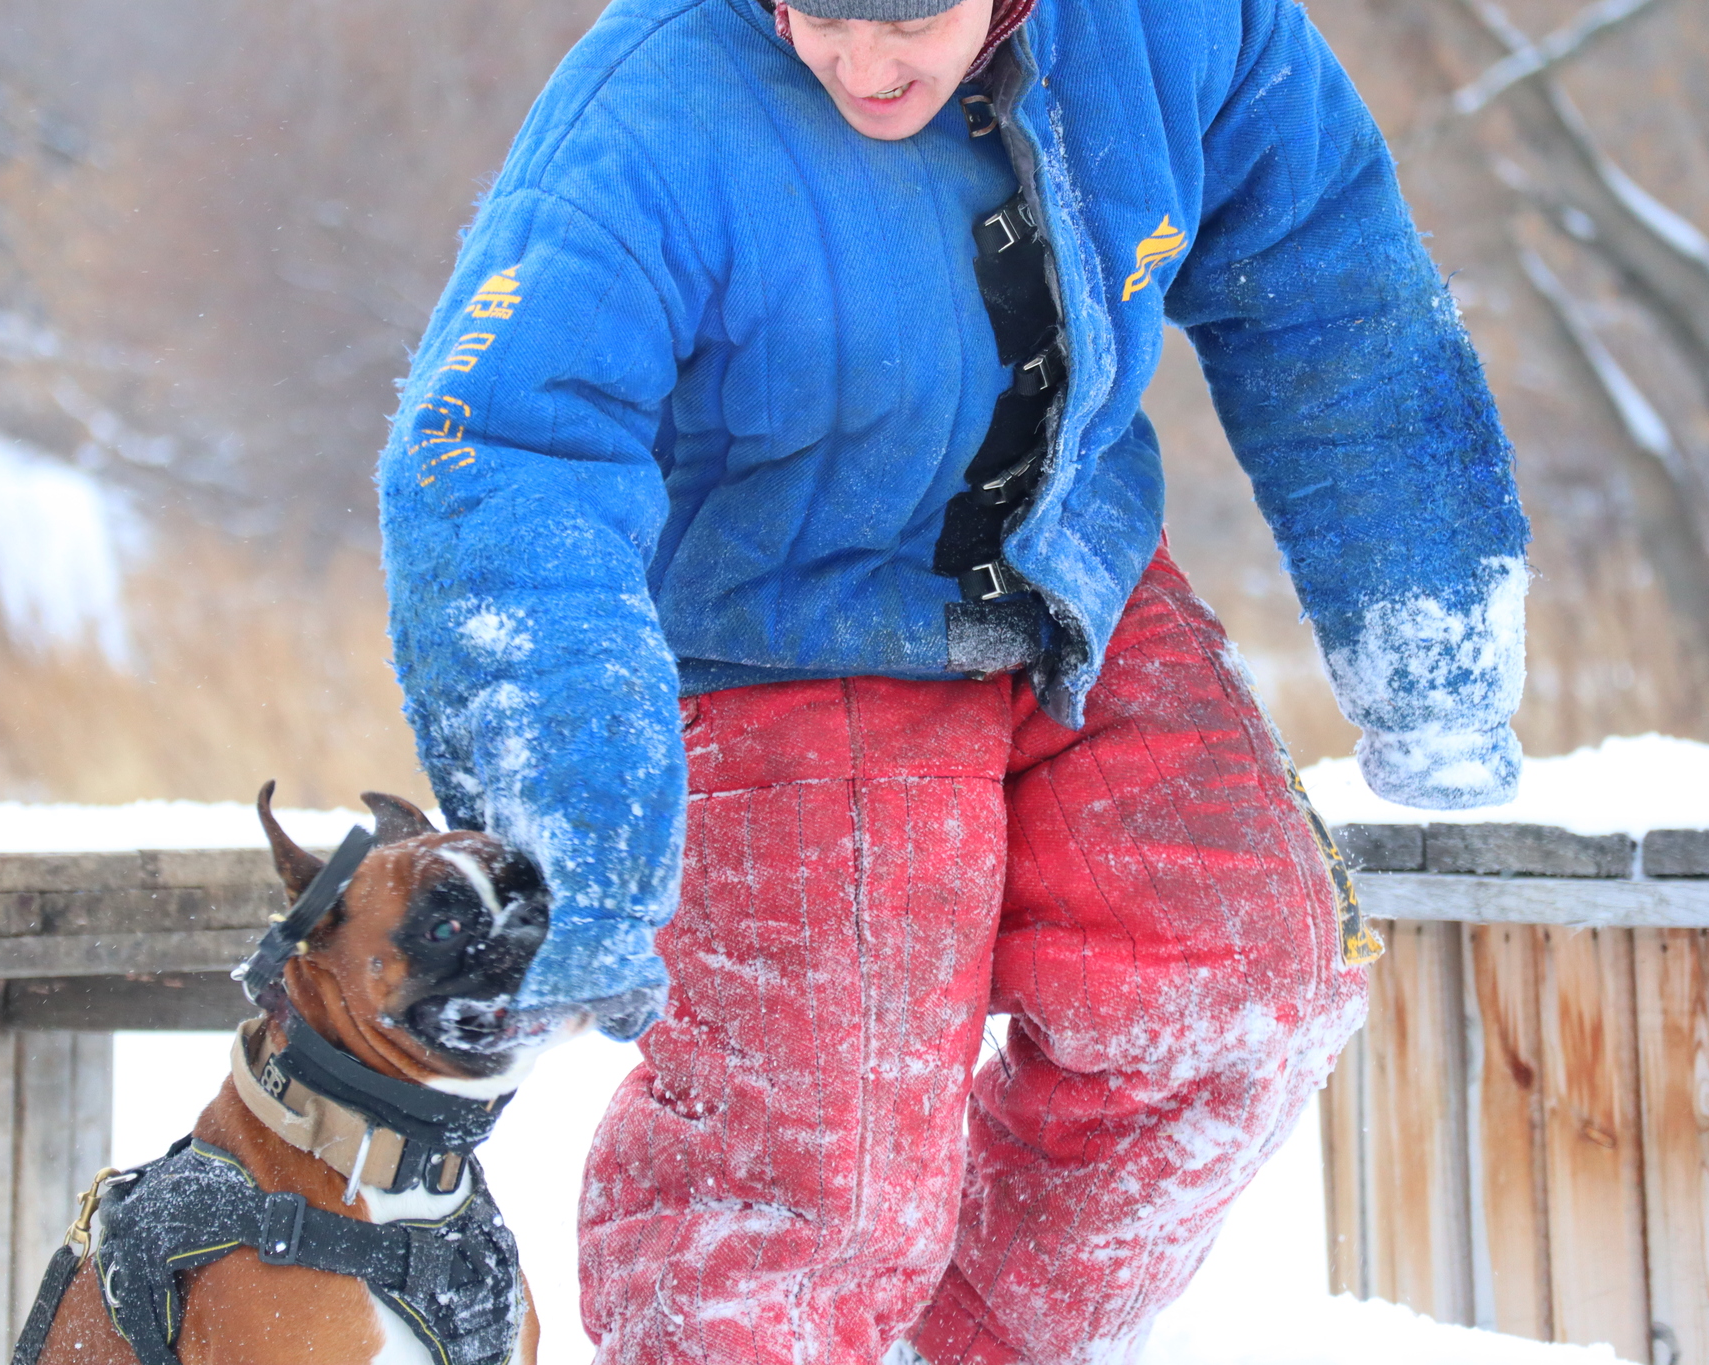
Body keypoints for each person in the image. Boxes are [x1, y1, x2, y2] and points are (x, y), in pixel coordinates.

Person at [376, 0, 1529, 1361]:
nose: (863, 64)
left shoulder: (1186, 30)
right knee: (814, 1169)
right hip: (779, 632)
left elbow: (1334, 287)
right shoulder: (649, 108)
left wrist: (1429, 628)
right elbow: (504, 443)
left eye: (908, 17)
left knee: (1244, 992)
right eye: (819, 13)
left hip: (1064, 583)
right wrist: (578, 814)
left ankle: (963, 1346)